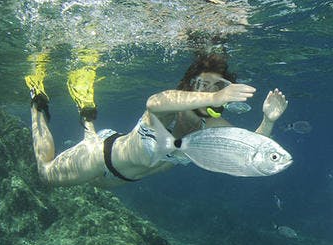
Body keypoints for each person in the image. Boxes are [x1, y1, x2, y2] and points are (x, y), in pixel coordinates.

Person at [24, 45, 288, 187]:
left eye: (217, 86)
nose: (208, 91)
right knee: (45, 174)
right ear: (188, 87)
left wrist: (269, 119)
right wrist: (215, 97)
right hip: (99, 159)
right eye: (201, 84)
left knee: (89, 145)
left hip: (120, 180)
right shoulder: (170, 107)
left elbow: (250, 154)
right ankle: (38, 101)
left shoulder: (211, 126)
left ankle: (87, 116)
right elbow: (154, 102)